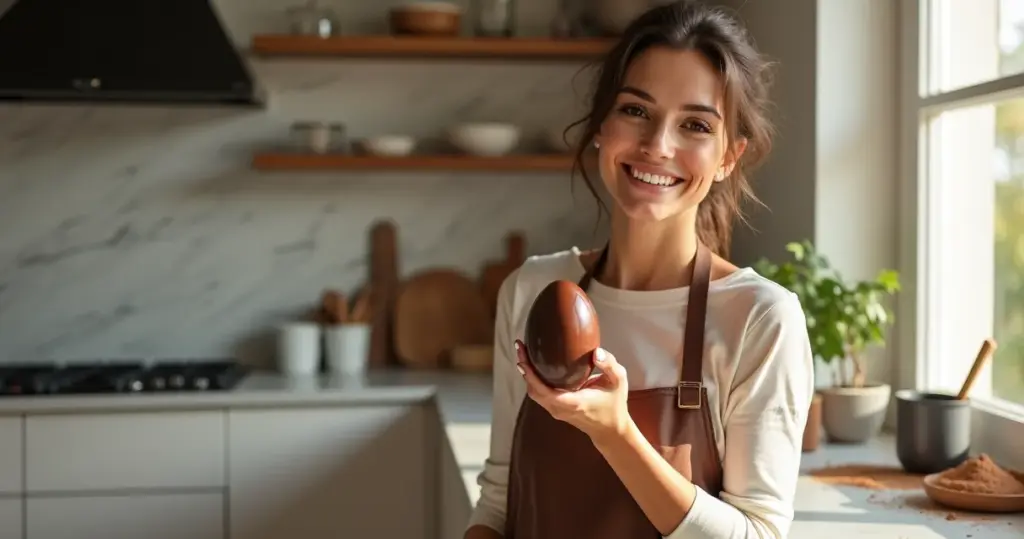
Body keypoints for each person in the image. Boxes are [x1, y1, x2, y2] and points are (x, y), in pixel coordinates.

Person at [463, 2, 815, 539]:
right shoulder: (531, 290)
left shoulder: (760, 319)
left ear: (728, 157)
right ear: (602, 125)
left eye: (695, 125)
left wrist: (616, 433)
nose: (657, 145)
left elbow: (759, 534)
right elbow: (498, 503)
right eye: (635, 111)